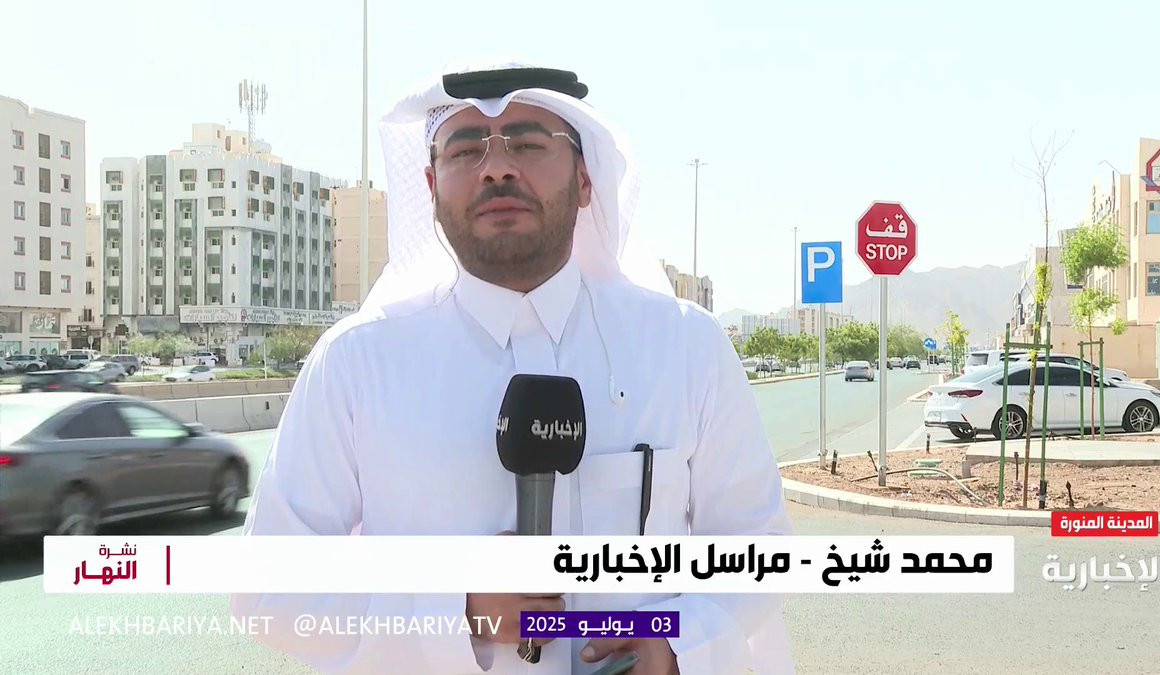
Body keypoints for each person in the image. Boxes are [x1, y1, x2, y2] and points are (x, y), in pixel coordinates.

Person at [232, 61, 793, 674]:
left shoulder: (685, 347)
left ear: (585, 178)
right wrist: (458, 609)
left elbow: (756, 548)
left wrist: (676, 644)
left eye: (527, 144)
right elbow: (270, 593)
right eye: (466, 150)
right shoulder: (356, 364)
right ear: (430, 187)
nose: (496, 168)